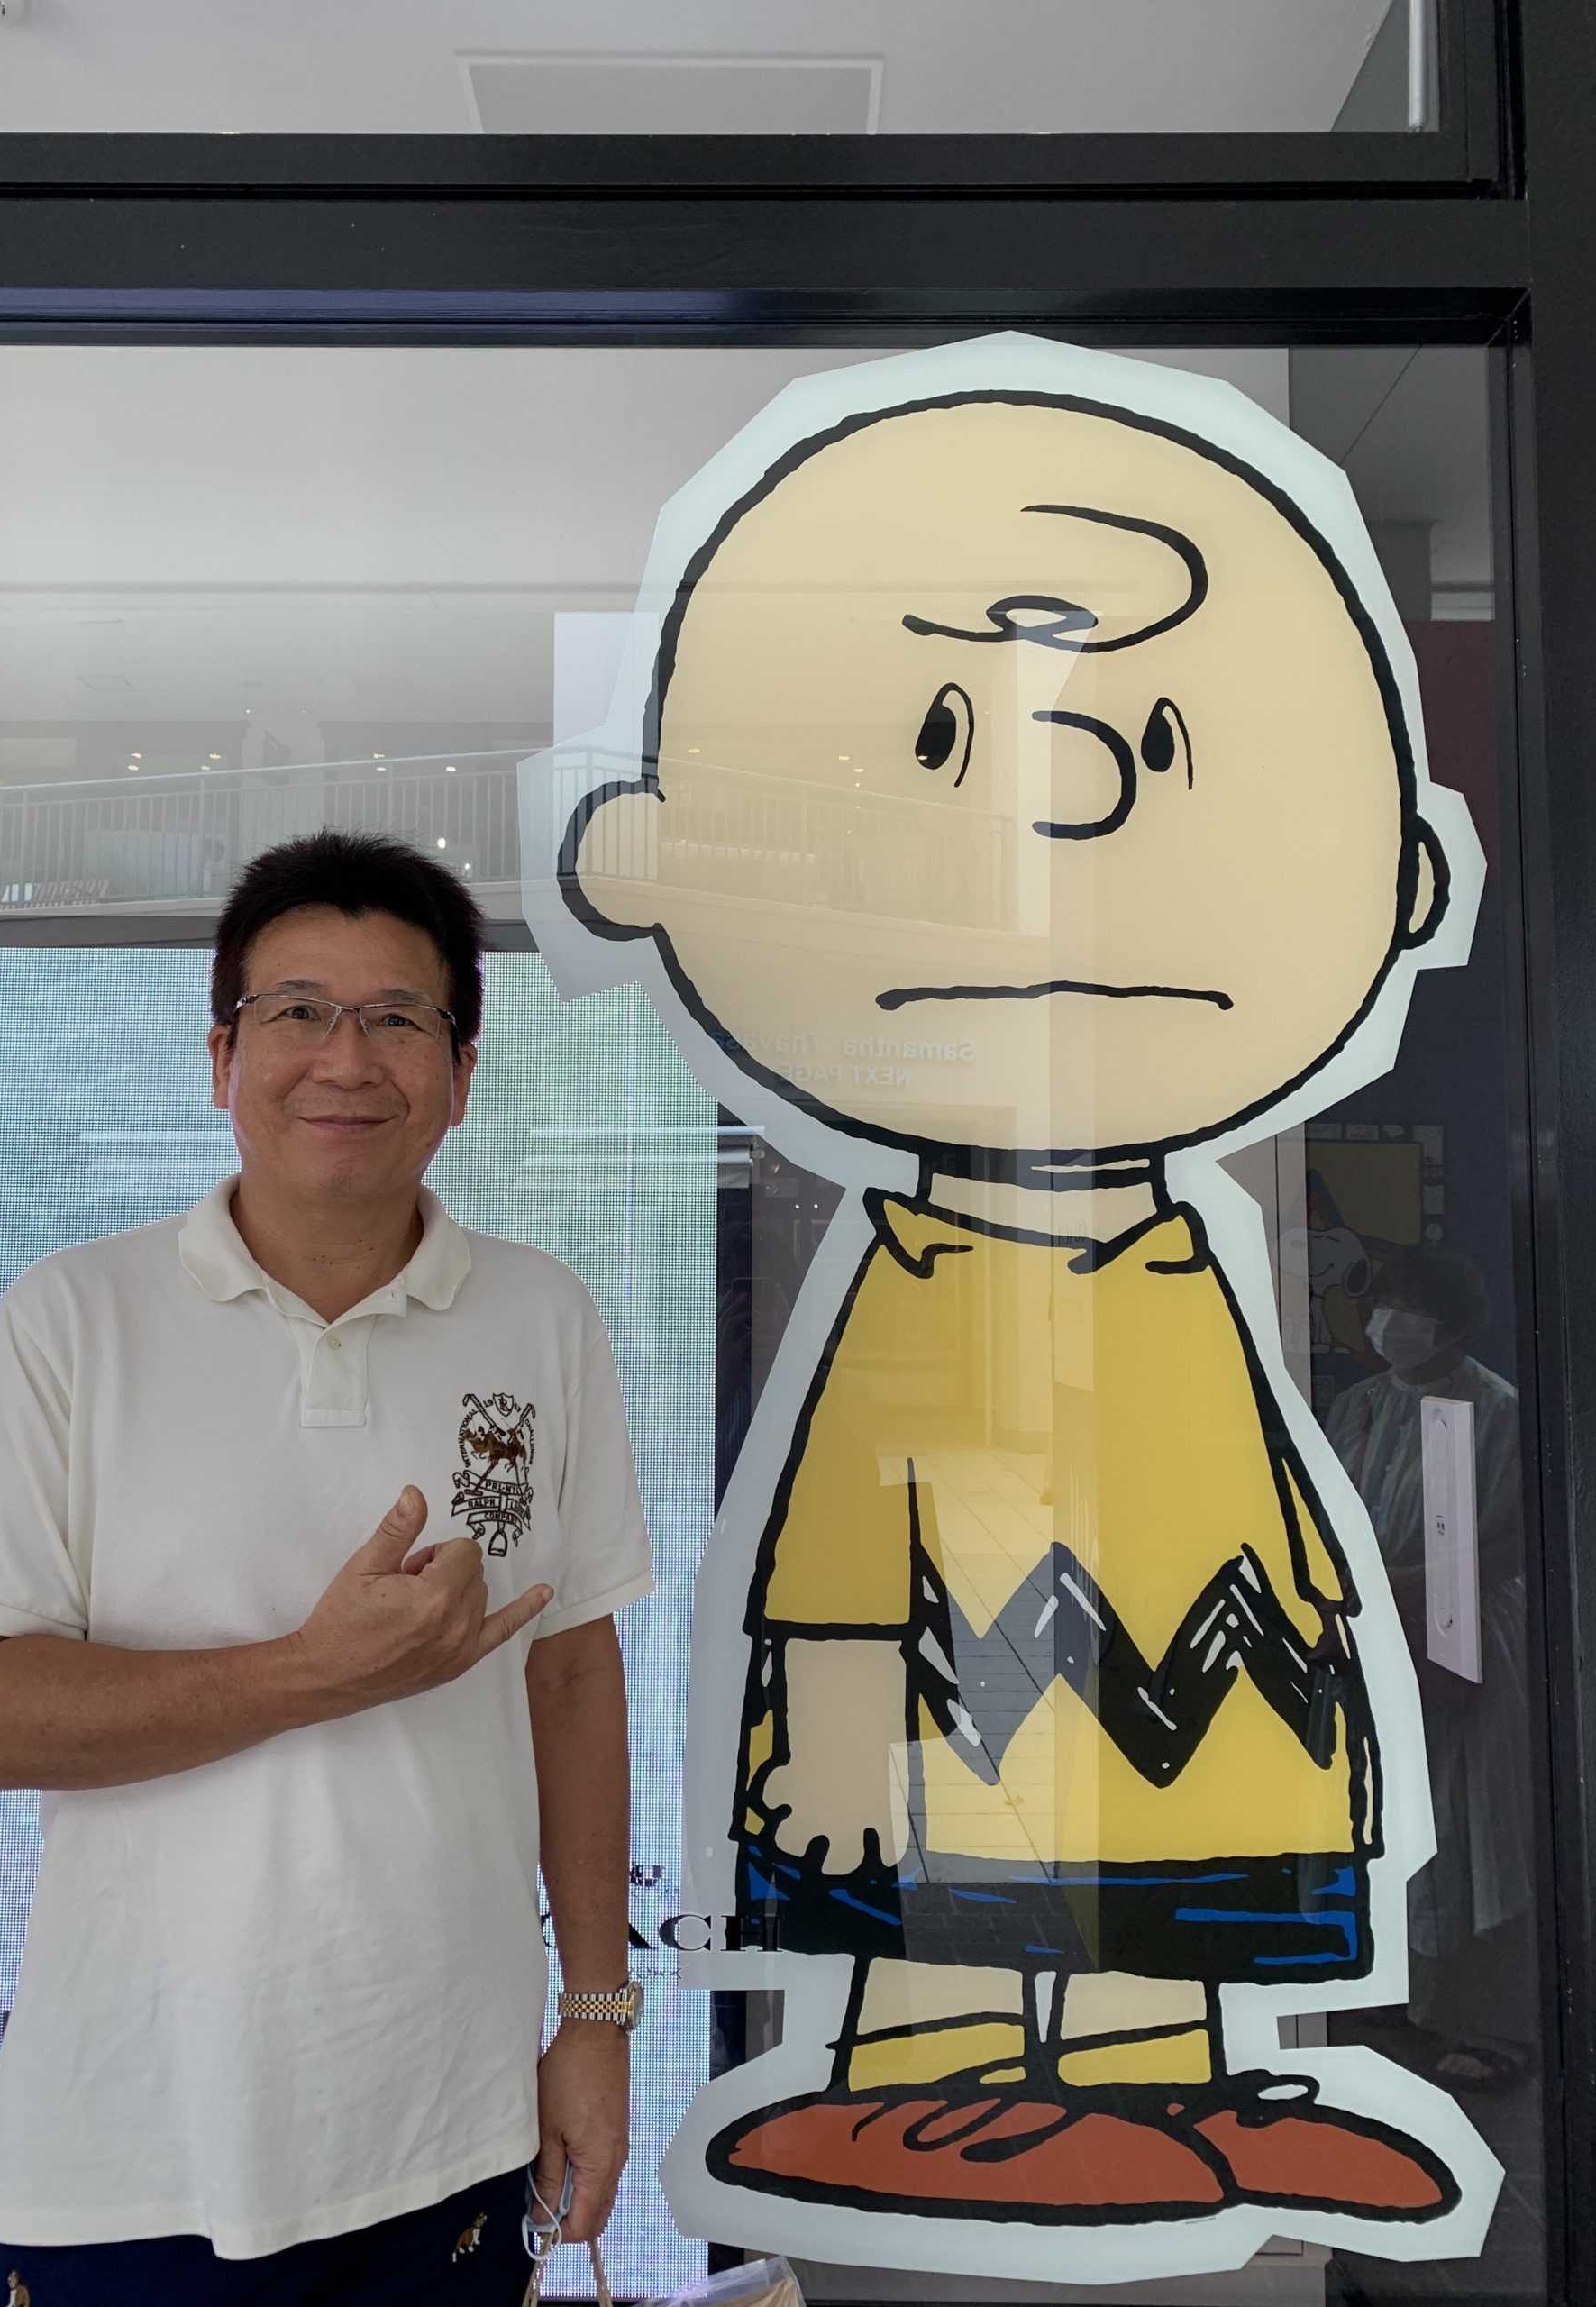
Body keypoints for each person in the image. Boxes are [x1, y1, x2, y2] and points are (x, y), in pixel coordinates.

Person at [560, 367, 1491, 2252]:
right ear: (652, 857)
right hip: (961, 1660)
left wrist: (1312, 1628)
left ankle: (1162, 2080)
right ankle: (926, 2073)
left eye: (1153, 740)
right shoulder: (920, 1275)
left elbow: (1248, 1478)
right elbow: (848, 1516)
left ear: (1394, 878)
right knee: (950, 1839)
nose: (1069, 798)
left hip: (1197, 1648)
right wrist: (834, 1731)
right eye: (944, 739)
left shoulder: (1190, 1263)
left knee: (1173, 1847)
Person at [0, 830, 652, 2306]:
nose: (346, 1059)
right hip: (127, 2148)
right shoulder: (73, 1319)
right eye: (299, 1010)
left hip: (449, 2134)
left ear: (462, 1073)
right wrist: (311, 1673)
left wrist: (597, 2019)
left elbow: (571, 1674)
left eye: (398, 1018)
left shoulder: (541, 1317)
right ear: (222, 1056)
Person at [1327, 1245, 1537, 2092]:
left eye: (1410, 1305)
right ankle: (1409, 1993)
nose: (1389, 1320)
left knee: (1474, 1825)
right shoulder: (1357, 1405)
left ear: (1453, 1322)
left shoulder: (1494, 1409)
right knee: (1389, 1817)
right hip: (1372, 1631)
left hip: (1462, 1632)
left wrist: (1392, 1589)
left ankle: (1496, 2022)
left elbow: (1510, 1546)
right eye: (1384, 1301)